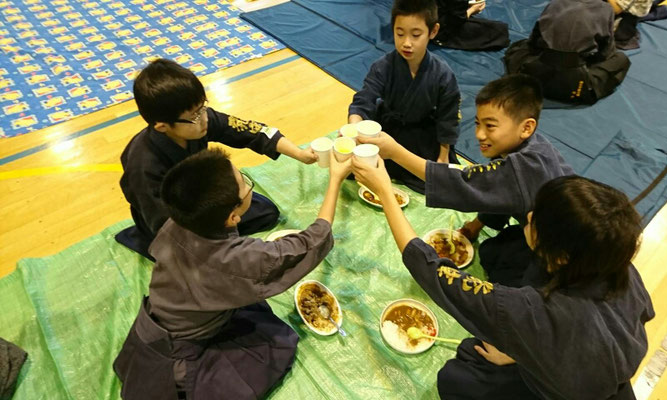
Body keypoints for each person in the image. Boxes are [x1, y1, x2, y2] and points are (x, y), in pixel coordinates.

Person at [352, 159, 654, 400]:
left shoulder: (532, 312)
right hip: (595, 377)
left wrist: (385, 192)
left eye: (539, 218)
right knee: (475, 348)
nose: (531, 214)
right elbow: (639, 319)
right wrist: (527, 352)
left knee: (453, 379)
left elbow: (434, 273)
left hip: (564, 390)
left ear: (561, 255)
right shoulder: (616, 264)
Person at [113, 148, 352, 399]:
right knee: (278, 345)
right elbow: (310, 243)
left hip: (159, 321)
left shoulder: (178, 220)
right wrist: (335, 179)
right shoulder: (237, 260)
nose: (248, 187)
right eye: (246, 185)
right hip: (178, 352)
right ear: (232, 216)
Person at [359, 74, 574, 287]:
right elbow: (500, 190)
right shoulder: (535, 146)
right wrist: (477, 225)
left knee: (506, 278)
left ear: (526, 127)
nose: (479, 134)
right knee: (492, 250)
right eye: (478, 123)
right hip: (548, 232)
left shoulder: (522, 169)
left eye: (490, 126)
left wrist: (395, 152)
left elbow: (463, 183)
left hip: (562, 257)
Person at [116, 58, 318, 260]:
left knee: (266, 213)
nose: (205, 118)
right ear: (162, 126)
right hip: (175, 220)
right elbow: (164, 226)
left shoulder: (197, 122)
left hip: (202, 197)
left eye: (203, 107)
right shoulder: (143, 166)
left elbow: (250, 131)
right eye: (196, 115)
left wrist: (300, 154)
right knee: (191, 256)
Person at [348, 0, 461, 193]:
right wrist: (353, 127)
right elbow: (364, 99)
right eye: (400, 34)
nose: (406, 43)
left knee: (437, 183)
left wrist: (443, 156)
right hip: (388, 130)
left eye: (416, 35)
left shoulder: (442, 73)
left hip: (421, 134)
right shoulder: (383, 66)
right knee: (354, 167)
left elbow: (448, 118)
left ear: (433, 32)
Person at [504, 0, 631, 105]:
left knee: (520, 46)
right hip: (575, 86)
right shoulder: (605, 10)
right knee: (620, 60)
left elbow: (534, 40)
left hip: (533, 75)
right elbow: (605, 52)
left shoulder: (556, 3)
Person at [433, 0, 510, 51]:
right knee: (499, 31)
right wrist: (472, 10)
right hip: (438, 27)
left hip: (427, 13)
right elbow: (456, 19)